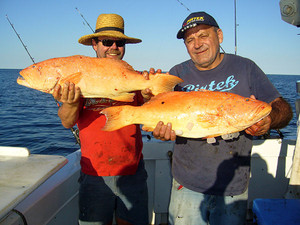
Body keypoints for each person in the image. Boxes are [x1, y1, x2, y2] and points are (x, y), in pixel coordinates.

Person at [151, 11, 293, 225]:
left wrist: (269, 120)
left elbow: (283, 108)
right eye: (190, 39)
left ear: (219, 35)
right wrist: (160, 131)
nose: (197, 44)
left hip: (232, 186)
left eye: (203, 35)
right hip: (186, 183)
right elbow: (159, 114)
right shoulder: (176, 74)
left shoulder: (246, 68)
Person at [52, 14, 150, 225]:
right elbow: (67, 122)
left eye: (120, 42)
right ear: (95, 45)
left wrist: (152, 95)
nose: (113, 47)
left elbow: (150, 112)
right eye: (107, 42)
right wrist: (69, 103)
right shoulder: (78, 77)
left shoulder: (135, 77)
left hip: (132, 171)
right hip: (94, 173)